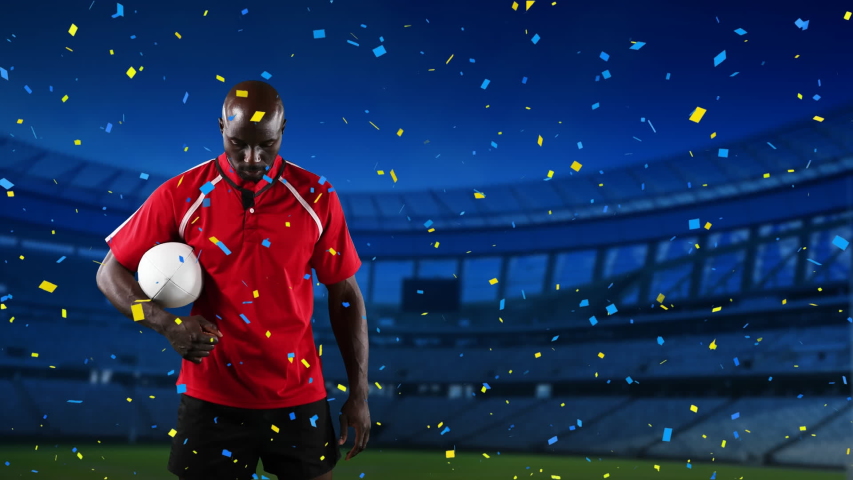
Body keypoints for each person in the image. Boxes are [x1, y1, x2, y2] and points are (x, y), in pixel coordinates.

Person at [95, 80, 370, 480]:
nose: (253, 158)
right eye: (238, 143)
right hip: (211, 397)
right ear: (221, 126)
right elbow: (108, 274)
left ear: (283, 130)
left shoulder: (317, 196)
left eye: (267, 144)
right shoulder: (180, 194)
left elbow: (345, 295)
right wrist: (166, 324)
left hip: (298, 395)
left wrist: (359, 393)